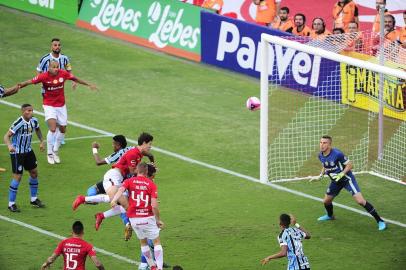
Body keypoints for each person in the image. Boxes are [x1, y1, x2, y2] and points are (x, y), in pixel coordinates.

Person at [14, 60, 97, 165]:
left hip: (61, 105)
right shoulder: (43, 76)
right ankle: (49, 153)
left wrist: (89, 84)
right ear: (49, 68)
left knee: (62, 129)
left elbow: (75, 78)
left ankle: (55, 150)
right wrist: (20, 85)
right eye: (53, 67)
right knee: (53, 128)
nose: (56, 68)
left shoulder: (63, 73)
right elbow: (30, 81)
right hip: (49, 105)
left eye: (57, 66)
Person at [72, 132, 154, 229]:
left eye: (113, 144)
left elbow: (143, 153)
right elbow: (133, 172)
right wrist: (147, 171)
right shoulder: (131, 153)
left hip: (119, 179)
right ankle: (84, 199)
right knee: (124, 204)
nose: (150, 147)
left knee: (124, 204)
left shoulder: (136, 151)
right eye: (149, 144)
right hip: (114, 177)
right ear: (144, 143)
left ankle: (101, 215)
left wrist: (151, 160)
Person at [311, 135, 387, 231]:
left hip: (347, 179)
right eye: (321, 142)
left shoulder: (337, 154)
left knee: (360, 201)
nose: (322, 145)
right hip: (336, 182)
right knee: (326, 201)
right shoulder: (320, 155)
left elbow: (350, 165)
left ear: (329, 145)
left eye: (324, 143)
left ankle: (380, 221)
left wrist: (341, 174)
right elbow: (325, 165)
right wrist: (320, 175)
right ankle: (330, 216)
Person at [111, 162, 164, 270]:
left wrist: (114, 200)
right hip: (147, 217)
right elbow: (154, 205)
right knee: (156, 241)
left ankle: (152, 266)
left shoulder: (129, 181)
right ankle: (159, 268)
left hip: (134, 218)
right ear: (146, 172)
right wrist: (158, 220)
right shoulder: (151, 184)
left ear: (137, 170)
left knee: (143, 242)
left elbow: (120, 190)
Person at [3, 104, 45, 212]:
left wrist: (41, 141)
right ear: (23, 112)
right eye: (28, 111)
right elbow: (6, 136)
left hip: (28, 150)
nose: (31, 112)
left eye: (32, 110)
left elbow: (38, 130)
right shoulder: (19, 123)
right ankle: (11, 204)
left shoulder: (34, 120)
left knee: (34, 172)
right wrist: (9, 146)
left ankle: (34, 199)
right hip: (17, 153)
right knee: (18, 176)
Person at [37, 38, 74, 146]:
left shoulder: (64, 58)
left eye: (58, 45)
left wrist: (73, 81)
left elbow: (69, 69)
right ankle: (54, 135)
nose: (57, 47)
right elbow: (39, 71)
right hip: (47, 89)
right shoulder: (45, 59)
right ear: (51, 47)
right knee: (53, 112)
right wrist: (41, 82)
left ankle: (58, 136)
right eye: (55, 45)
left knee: (59, 112)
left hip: (59, 88)